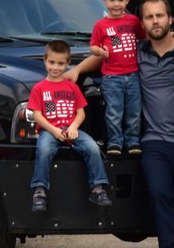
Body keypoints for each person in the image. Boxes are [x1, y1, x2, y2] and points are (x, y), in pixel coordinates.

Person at [67, 0, 174, 248]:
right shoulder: (137, 54)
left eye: (160, 16)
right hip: (153, 140)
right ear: (141, 24)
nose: (155, 21)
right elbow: (104, 56)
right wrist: (77, 71)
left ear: (170, 19)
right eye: (149, 17)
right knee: (159, 194)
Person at [29, 40, 113, 213]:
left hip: (71, 129)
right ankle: (39, 191)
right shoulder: (39, 88)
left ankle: (97, 189)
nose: (55, 67)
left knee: (92, 147)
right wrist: (53, 130)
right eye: (52, 62)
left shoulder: (72, 87)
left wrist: (73, 127)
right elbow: (38, 115)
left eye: (61, 63)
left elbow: (81, 113)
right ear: (45, 61)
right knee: (43, 149)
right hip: (50, 130)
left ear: (68, 64)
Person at [90, 0, 146, 157]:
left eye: (121, 0)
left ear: (127, 0)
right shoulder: (101, 25)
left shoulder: (133, 21)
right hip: (111, 77)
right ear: (104, 0)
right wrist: (100, 52)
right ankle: (114, 142)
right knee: (114, 111)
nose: (116, 4)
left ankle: (132, 141)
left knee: (134, 111)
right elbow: (93, 46)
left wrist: (169, 35)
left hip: (133, 75)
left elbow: (145, 38)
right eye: (112, 0)